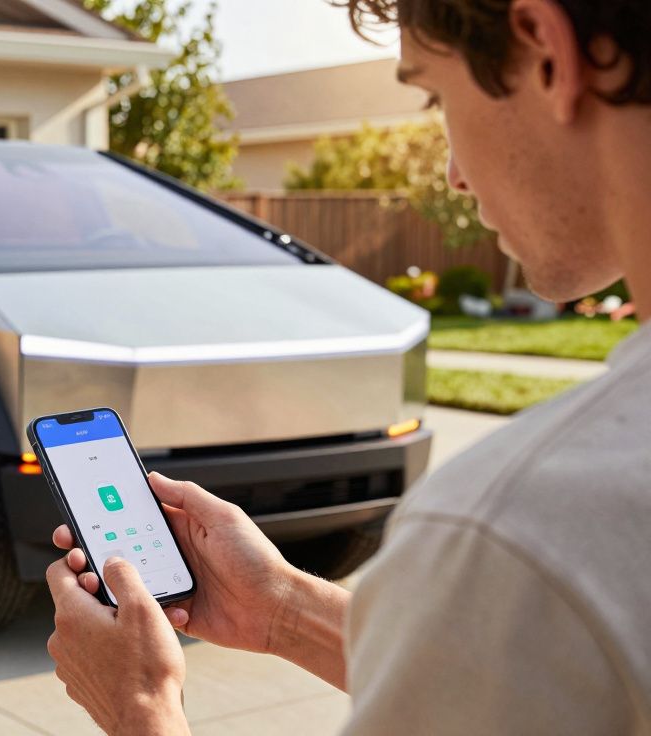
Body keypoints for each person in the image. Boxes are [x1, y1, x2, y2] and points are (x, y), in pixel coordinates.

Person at [44, 0, 651, 733]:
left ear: (545, 51)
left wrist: (140, 709)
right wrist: (281, 611)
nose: (454, 174)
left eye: (434, 95)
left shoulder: (515, 540)